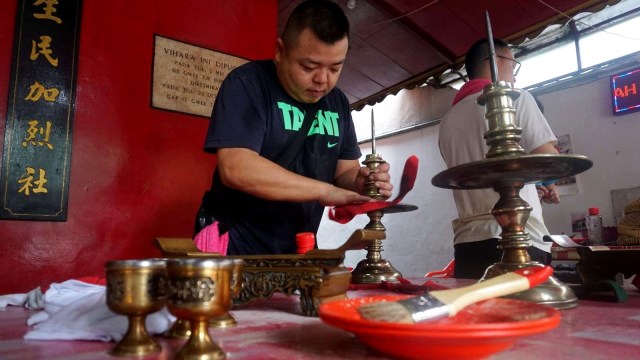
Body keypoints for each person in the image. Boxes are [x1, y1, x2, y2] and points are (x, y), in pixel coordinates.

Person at [199, 0, 393, 255]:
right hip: (234, 245)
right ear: (280, 51)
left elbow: (345, 171)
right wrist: (324, 191)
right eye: (308, 67)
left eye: (335, 68)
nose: (323, 80)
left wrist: (360, 181)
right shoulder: (248, 84)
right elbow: (236, 168)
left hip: (299, 249)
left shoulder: (337, 103)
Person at [438, 38, 559, 279]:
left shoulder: (447, 120)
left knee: (481, 315)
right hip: (520, 236)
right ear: (495, 61)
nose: (514, 78)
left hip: (469, 243)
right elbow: (548, 158)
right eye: (513, 67)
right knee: (526, 315)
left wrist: (531, 186)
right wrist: (547, 181)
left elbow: (480, 173)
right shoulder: (516, 97)